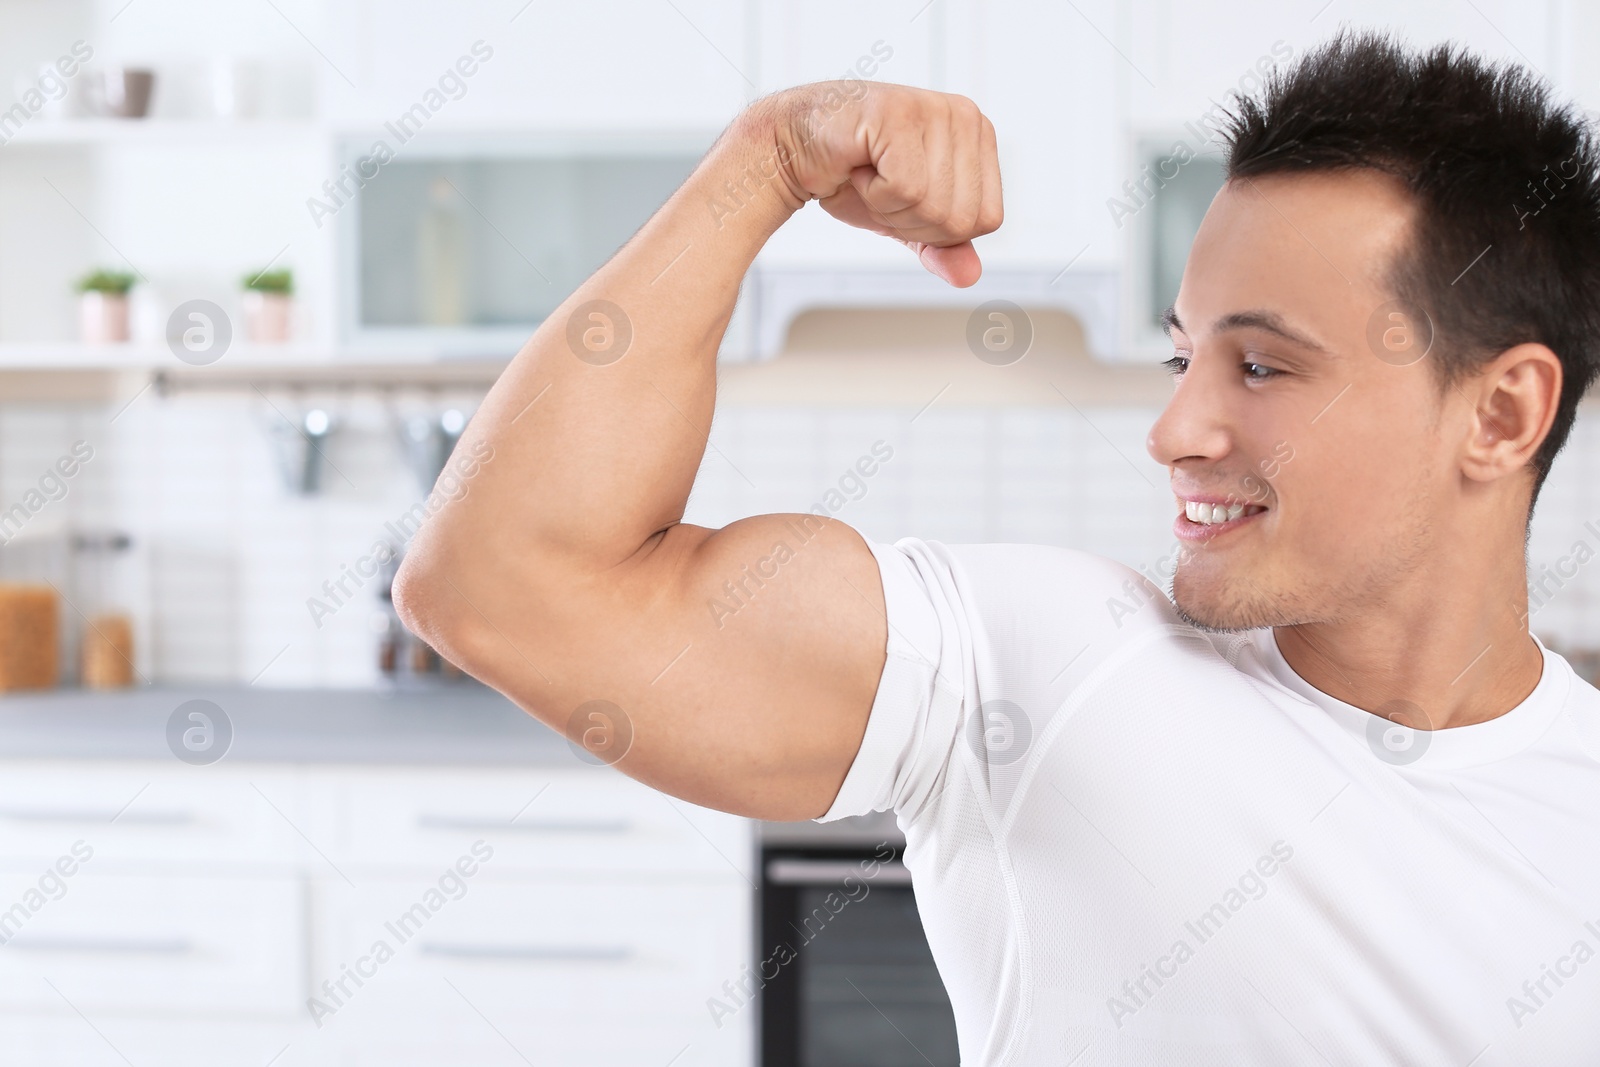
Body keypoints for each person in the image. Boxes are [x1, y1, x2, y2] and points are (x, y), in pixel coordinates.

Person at [394, 29, 1600, 1066]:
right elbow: (501, 582)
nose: (1174, 429)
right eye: (1183, 356)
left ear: (1498, 415)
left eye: (1264, 365)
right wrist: (766, 160)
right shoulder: (1039, 663)